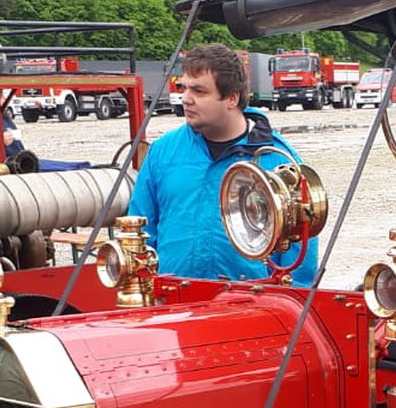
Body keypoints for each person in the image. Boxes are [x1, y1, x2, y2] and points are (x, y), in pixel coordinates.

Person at [127, 43, 319, 285]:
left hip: (248, 307)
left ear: (231, 98)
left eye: (198, 91)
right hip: (173, 306)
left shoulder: (278, 161)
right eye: (183, 88)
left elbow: (299, 256)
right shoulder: (162, 153)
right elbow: (140, 229)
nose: (185, 98)